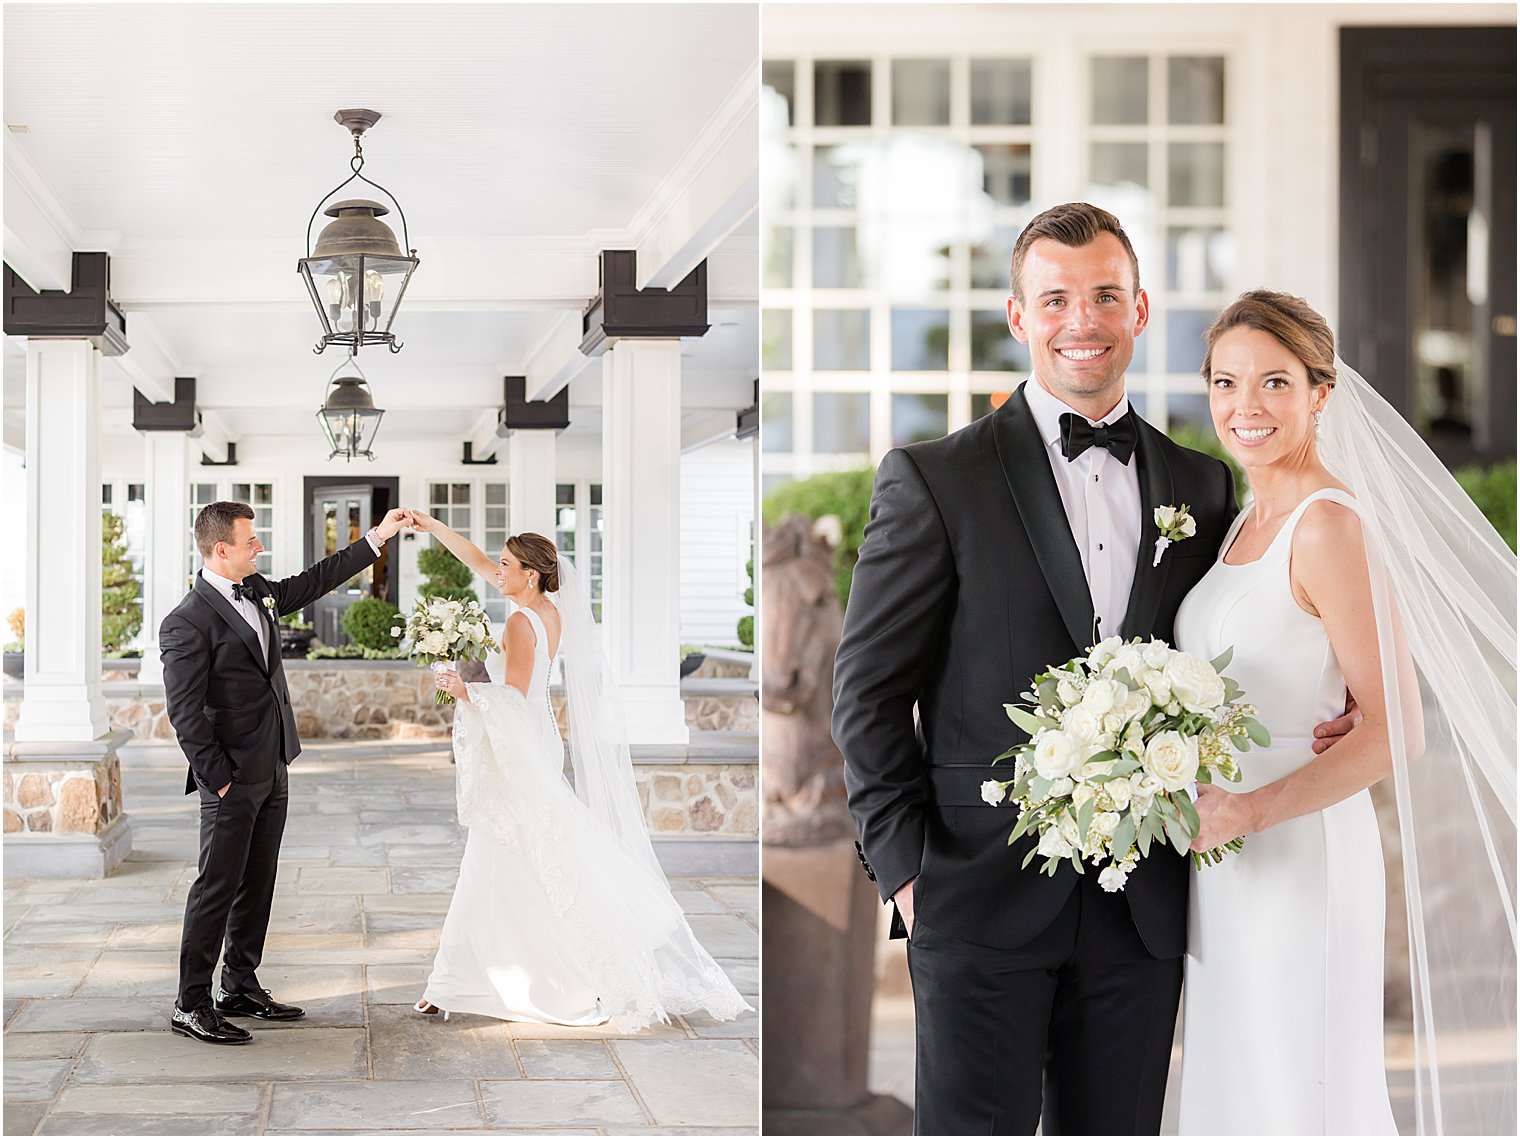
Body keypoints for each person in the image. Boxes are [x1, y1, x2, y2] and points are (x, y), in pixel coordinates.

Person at [832, 202, 1353, 1135]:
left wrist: (1341, 693)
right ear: (1019, 315)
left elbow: (1252, 632)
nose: (1085, 320)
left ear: (1141, 310)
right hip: (974, 894)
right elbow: (867, 693)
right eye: (1058, 298)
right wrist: (905, 872)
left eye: (1106, 295)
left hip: (1144, 909)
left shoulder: (1203, 483)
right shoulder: (933, 478)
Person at [1175, 291, 1517, 1135]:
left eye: (1274, 383)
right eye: (1226, 382)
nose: (1244, 407)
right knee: (1243, 1079)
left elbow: (1401, 727)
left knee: (1304, 1088)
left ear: (1321, 392)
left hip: (1298, 848)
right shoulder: (1241, 522)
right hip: (1223, 854)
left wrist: (1250, 808)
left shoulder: (1327, 525)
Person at [406, 514, 749, 1033]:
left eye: (506, 566)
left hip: (522, 741)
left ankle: (500, 978)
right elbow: (475, 560)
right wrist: (433, 526)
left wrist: (462, 687)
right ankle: (453, 981)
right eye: (499, 564)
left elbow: (514, 699)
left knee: (506, 850)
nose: (495, 572)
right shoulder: (548, 611)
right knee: (512, 853)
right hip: (540, 739)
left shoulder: (522, 622)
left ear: (533, 574)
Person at [162, 500, 413, 1045]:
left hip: (274, 763)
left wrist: (377, 537)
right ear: (220, 549)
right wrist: (219, 777)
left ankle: (240, 984)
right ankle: (190, 1002)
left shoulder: (260, 591)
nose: (259, 547)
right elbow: (184, 712)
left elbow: (317, 579)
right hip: (230, 776)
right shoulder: (186, 621)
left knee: (259, 880)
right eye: (251, 540)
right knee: (216, 887)